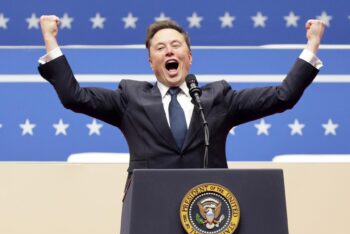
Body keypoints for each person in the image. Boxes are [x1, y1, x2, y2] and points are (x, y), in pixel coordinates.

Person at [38, 16, 325, 175]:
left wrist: (312, 45)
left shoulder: (218, 98)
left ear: (189, 57)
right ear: (151, 62)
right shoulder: (129, 98)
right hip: (149, 209)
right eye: (160, 48)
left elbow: (282, 96)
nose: (169, 51)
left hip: (210, 211)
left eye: (175, 45)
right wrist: (50, 40)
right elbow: (74, 97)